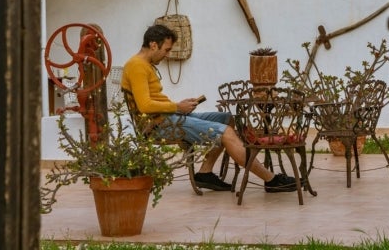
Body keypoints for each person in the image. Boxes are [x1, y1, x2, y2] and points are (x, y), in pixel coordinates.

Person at [121, 24, 296, 193]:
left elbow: (151, 100)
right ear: (153, 45)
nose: (166, 55)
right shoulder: (137, 65)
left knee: (227, 118)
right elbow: (144, 105)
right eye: (166, 50)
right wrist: (177, 107)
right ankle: (271, 180)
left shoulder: (142, 65)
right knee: (226, 132)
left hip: (168, 117)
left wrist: (180, 106)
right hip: (160, 125)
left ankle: (205, 173)